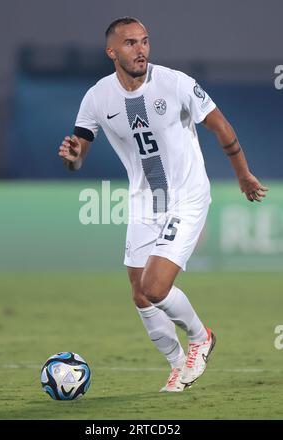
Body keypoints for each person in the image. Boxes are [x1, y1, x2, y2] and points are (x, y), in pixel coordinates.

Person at [58, 17, 268, 392]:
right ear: (112, 52)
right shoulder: (98, 96)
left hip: (187, 197)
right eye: (130, 43)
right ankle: (175, 364)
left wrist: (243, 174)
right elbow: (77, 156)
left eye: (145, 42)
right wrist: (72, 156)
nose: (140, 50)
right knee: (139, 293)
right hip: (144, 202)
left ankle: (201, 337)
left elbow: (221, 126)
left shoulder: (175, 83)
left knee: (155, 287)